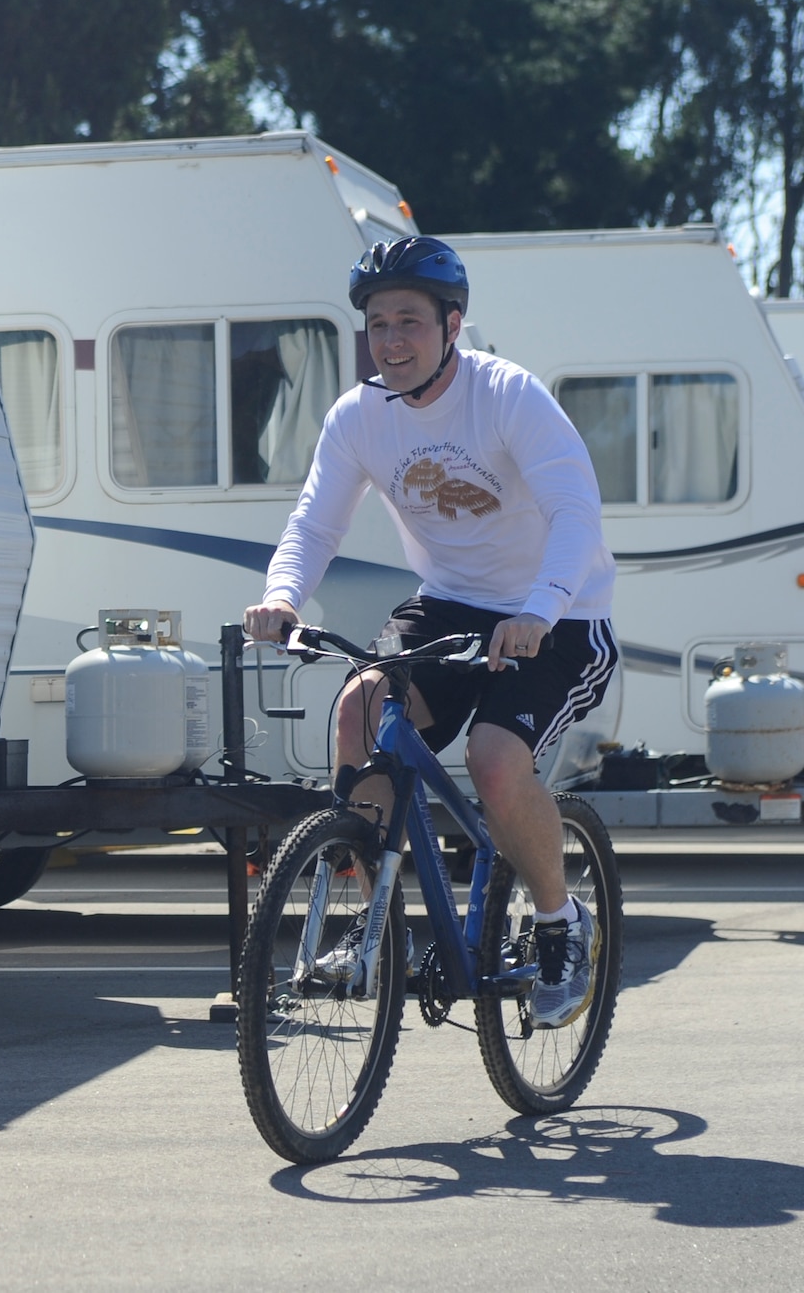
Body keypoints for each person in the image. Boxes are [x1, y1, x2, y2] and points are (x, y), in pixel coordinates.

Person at [243, 235, 617, 1028]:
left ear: (452, 323)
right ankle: (376, 926)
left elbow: (575, 514)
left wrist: (540, 609)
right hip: (448, 604)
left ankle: (561, 925)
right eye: (378, 324)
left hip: (559, 614)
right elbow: (314, 524)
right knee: (359, 708)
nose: (391, 342)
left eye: (409, 321)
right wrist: (281, 596)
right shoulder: (359, 417)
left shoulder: (506, 395)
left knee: (494, 760)